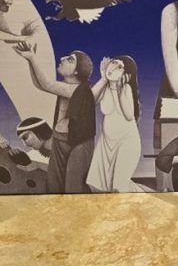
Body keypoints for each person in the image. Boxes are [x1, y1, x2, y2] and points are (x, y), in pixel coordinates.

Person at [13, 44, 96, 193]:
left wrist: (32, 58)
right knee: (54, 185)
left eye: (70, 59)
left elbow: (45, 84)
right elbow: (39, 85)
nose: (63, 58)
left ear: (77, 71)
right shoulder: (65, 86)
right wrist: (30, 60)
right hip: (60, 140)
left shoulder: (78, 89)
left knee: (73, 188)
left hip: (78, 144)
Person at [87, 55, 144, 193]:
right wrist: (103, 79)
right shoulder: (104, 87)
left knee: (118, 188)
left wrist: (118, 89)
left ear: (126, 75)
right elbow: (88, 103)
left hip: (126, 143)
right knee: (96, 186)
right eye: (113, 62)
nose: (113, 67)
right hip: (106, 145)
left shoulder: (126, 89)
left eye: (119, 67)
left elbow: (129, 115)